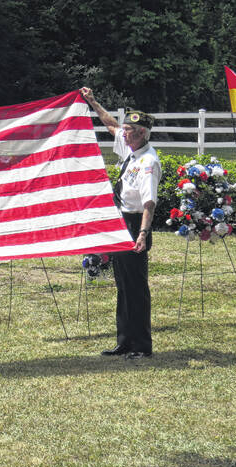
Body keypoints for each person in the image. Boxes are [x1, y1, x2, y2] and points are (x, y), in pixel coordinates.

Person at [80, 87, 161, 360]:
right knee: (122, 284)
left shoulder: (148, 161)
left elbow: (149, 203)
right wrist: (92, 102)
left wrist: (142, 234)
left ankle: (141, 345)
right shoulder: (131, 150)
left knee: (136, 287)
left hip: (136, 223)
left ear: (141, 134)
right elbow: (110, 125)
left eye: (128, 130)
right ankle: (124, 340)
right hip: (122, 220)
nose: (123, 134)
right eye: (125, 130)